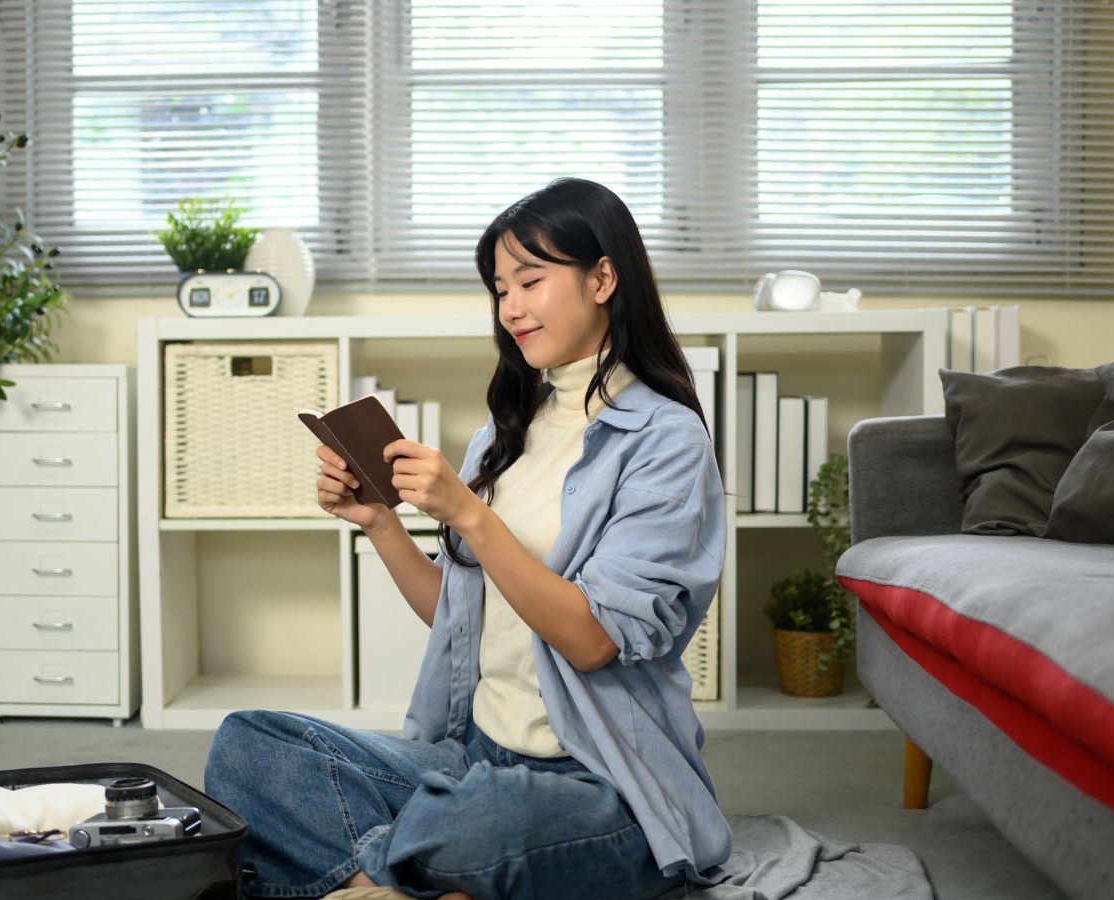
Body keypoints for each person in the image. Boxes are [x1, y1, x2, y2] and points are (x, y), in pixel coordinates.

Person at [203, 177, 731, 900]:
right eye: (498, 288)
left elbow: (592, 642)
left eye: (531, 281)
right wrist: (382, 524)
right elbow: (459, 619)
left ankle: (363, 866)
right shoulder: (509, 431)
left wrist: (470, 515)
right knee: (250, 745)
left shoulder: (665, 440)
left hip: (596, 779)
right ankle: (385, 884)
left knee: (484, 822)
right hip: (472, 754)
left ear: (603, 277)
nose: (510, 307)